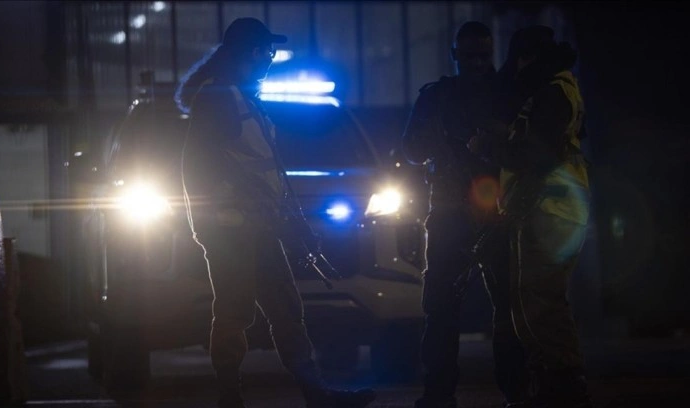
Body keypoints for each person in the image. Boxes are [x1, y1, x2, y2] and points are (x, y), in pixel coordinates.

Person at [175, 17, 375, 408]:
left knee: (285, 307)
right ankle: (231, 396)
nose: (270, 58)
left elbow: (264, 168)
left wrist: (288, 218)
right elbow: (200, 165)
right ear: (251, 53)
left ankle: (314, 393)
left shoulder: (242, 97)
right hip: (232, 228)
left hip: (258, 223)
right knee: (235, 310)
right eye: (266, 51)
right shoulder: (219, 97)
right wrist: (235, 204)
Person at [402, 21, 529, 408]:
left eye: (482, 56)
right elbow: (412, 149)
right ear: (456, 55)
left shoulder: (506, 93)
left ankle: (515, 391)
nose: (476, 63)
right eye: (469, 56)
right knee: (442, 308)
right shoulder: (439, 97)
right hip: (453, 212)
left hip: (494, 213)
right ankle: (441, 393)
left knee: (507, 308)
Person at [478, 25, 593, 408]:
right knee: (535, 301)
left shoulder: (552, 92)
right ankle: (552, 385)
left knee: (541, 302)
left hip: (548, 208)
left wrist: (492, 147)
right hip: (547, 207)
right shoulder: (558, 88)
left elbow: (535, 154)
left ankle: (565, 386)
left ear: (526, 57)